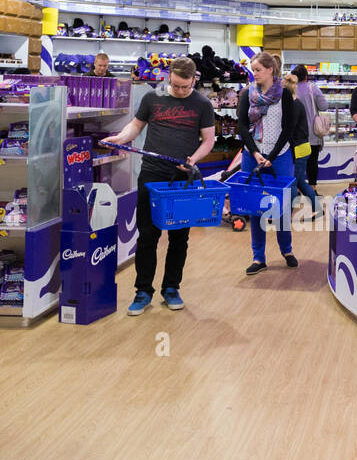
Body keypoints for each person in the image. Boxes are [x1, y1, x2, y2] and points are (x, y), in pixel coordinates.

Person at [104, 57, 215, 315]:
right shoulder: (152, 98)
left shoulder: (202, 104)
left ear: (194, 81)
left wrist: (194, 160)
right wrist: (119, 138)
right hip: (152, 175)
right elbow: (135, 126)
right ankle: (143, 291)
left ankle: (171, 288)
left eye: (185, 87)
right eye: (175, 85)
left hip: (182, 180)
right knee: (148, 236)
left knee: (179, 237)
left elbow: (209, 140)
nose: (179, 91)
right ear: (169, 77)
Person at [237, 51, 297, 274]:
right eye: (253, 70)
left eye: (258, 70)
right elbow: (242, 126)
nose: (255, 74)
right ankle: (258, 257)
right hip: (252, 155)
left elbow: (288, 127)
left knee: (281, 206)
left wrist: (271, 156)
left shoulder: (285, 95)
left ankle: (287, 250)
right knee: (255, 207)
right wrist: (255, 153)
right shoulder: (246, 94)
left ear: (271, 70)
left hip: (279, 156)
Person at [284, 72, 320, 218]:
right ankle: (316, 209)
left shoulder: (293, 105)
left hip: (298, 149)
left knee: (293, 183)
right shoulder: (296, 103)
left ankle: (288, 214)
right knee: (300, 182)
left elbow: (290, 130)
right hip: (303, 147)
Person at [291, 64, 329, 190]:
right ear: (306, 76)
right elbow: (324, 106)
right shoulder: (313, 88)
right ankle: (312, 187)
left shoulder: (290, 89)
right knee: (312, 162)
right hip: (312, 132)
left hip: (296, 134)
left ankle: (296, 188)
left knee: (297, 163)